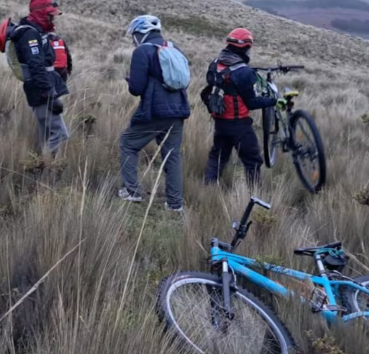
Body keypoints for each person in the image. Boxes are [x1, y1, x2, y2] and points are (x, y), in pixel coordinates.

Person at [119, 15, 191, 212]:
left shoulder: (143, 51)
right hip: (178, 109)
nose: (133, 39)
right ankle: (175, 204)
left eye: (134, 34)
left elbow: (136, 88)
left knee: (128, 142)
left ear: (141, 33)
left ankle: (132, 191)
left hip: (154, 111)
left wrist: (130, 80)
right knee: (172, 155)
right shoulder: (174, 48)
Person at [201, 28, 288, 186]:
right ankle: (254, 195)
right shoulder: (244, 72)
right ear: (245, 48)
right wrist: (273, 101)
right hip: (239, 125)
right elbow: (252, 103)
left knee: (218, 157)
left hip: (220, 122)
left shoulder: (215, 64)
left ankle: (207, 189)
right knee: (252, 160)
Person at [9, 0, 70, 154]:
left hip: (41, 89)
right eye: (51, 15)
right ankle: (45, 169)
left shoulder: (37, 31)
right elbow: (36, 66)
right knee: (60, 134)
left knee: (46, 135)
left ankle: (41, 172)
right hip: (40, 90)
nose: (53, 19)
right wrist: (50, 95)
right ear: (41, 14)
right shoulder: (30, 34)